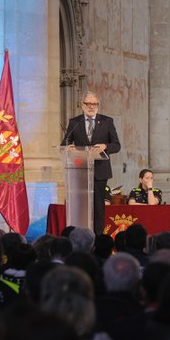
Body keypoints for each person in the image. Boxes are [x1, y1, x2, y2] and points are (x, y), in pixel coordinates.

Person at [60, 91, 121, 234]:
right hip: (80, 170)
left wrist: (105, 146)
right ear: (82, 105)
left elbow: (116, 145)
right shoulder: (75, 122)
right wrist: (69, 147)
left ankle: (98, 236)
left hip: (100, 170)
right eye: (88, 104)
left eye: (95, 104)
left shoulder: (107, 121)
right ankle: (79, 235)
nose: (92, 107)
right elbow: (65, 143)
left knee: (98, 206)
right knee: (81, 205)